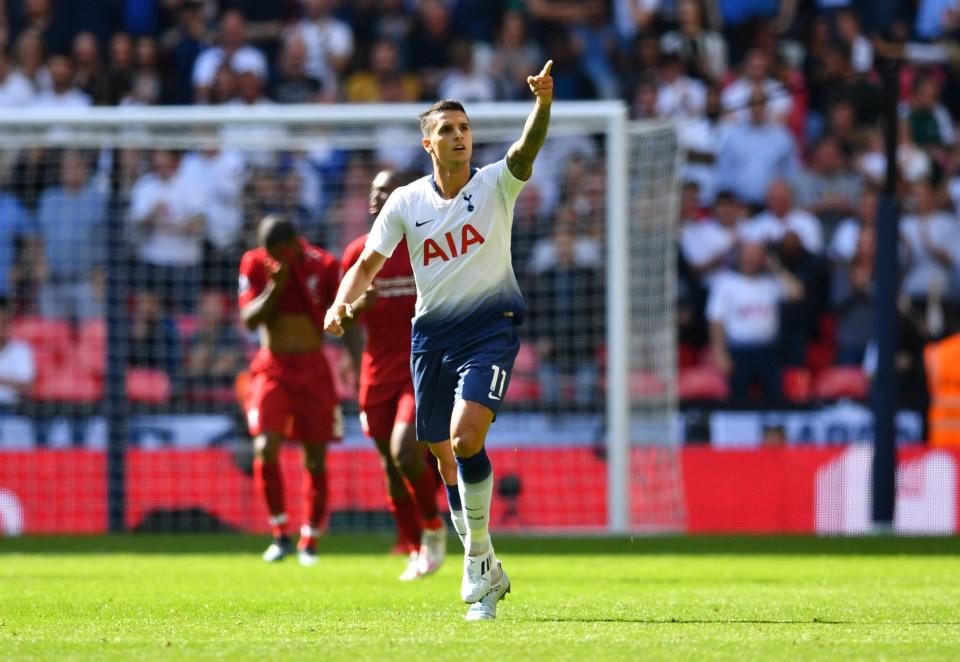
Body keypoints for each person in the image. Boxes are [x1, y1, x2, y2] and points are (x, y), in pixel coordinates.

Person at [324, 61, 555, 621]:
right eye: (447, 130)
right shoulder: (406, 202)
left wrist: (543, 104)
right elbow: (366, 265)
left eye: (465, 128)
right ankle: (488, 563)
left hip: (490, 328)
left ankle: (475, 567)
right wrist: (339, 302)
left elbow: (525, 150)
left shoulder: (496, 182)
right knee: (444, 461)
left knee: (466, 436)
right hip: (430, 339)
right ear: (428, 143)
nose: (459, 137)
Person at [341, 169, 447, 582]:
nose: (376, 197)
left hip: (420, 368)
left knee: (405, 452)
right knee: (392, 465)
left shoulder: (427, 244)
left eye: (386, 190)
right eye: (372, 190)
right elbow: (343, 319)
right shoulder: (357, 254)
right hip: (375, 373)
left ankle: (434, 530)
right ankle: (414, 545)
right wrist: (355, 312)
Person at [239, 215, 342, 566]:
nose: (272, 258)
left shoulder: (324, 265)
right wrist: (275, 286)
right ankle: (280, 533)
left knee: (315, 456)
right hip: (273, 368)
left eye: (277, 252)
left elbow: (340, 317)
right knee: (265, 446)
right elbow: (250, 320)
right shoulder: (255, 263)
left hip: (313, 368)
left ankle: (309, 540)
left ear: (293, 245)